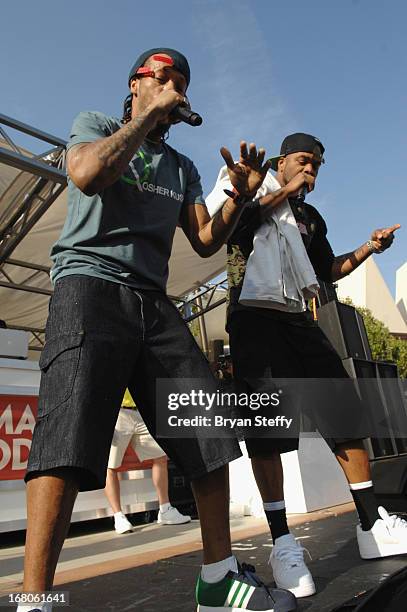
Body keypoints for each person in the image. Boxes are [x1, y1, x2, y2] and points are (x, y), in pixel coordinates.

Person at [20, 48, 297, 612]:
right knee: (66, 433)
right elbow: (87, 173)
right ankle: (35, 597)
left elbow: (204, 240)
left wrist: (240, 197)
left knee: (208, 427)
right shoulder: (95, 126)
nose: (177, 91)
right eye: (165, 78)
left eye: (183, 85)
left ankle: (217, 579)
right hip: (88, 287)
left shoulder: (183, 168)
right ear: (136, 84)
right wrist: (146, 116)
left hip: (152, 300)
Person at [206, 132, 405, 598]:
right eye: (304, 159)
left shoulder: (309, 217)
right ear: (283, 160)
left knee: (345, 415)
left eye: (318, 163)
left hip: (299, 317)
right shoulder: (248, 188)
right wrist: (279, 191)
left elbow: (327, 269)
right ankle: (282, 542)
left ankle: (371, 522)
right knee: (267, 430)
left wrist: (369, 248)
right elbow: (230, 229)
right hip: (253, 317)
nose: (312, 168)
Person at [105, 389, 191, 533]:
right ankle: (118, 516)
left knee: (160, 457)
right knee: (110, 465)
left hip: (142, 411)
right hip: (118, 412)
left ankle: (165, 509)